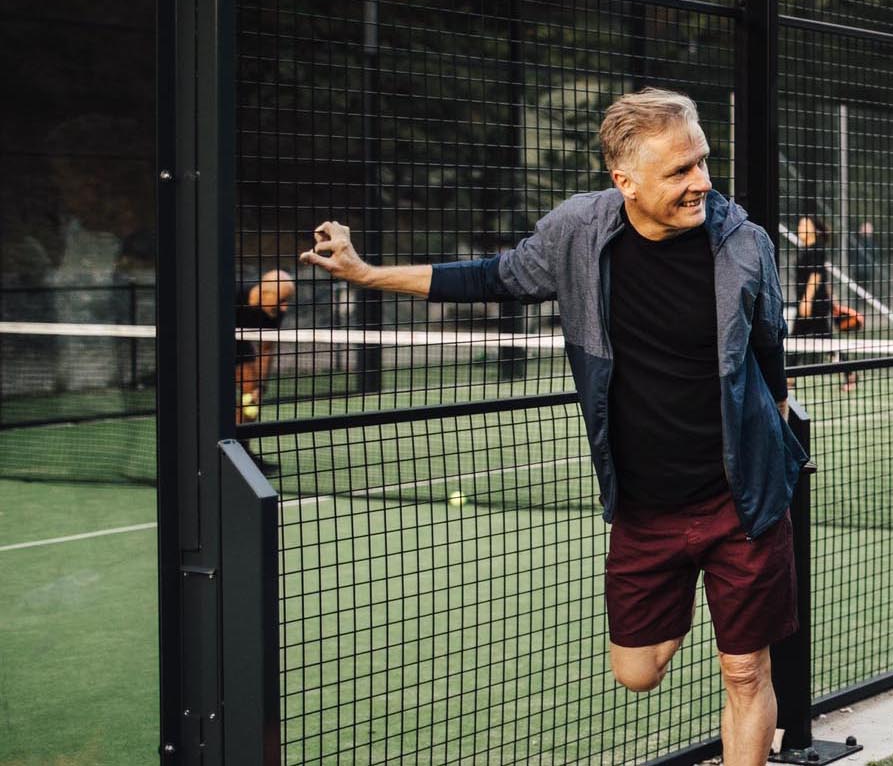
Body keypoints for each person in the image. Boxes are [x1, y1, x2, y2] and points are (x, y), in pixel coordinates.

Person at [297, 88, 807, 766]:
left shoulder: (745, 244)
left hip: (740, 500)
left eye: (703, 162)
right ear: (624, 181)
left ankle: (728, 620)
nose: (702, 183)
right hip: (644, 507)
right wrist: (366, 275)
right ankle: (694, 588)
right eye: (680, 171)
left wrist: (776, 426)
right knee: (637, 672)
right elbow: (493, 276)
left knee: (745, 672)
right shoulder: (578, 231)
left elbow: (769, 346)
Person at [235, 269, 295, 474]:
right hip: (213, 335)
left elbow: (266, 349)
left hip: (238, 341)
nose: (284, 306)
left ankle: (241, 450)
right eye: (281, 300)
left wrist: (260, 385)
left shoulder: (274, 312)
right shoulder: (233, 294)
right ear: (263, 292)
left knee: (251, 395)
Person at [790, 214, 856, 393]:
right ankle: (849, 373)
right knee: (812, 340)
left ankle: (788, 378)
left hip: (812, 304)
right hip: (815, 302)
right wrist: (833, 302)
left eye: (804, 224)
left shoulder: (817, 248)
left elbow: (816, 276)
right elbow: (825, 280)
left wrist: (806, 300)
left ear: (814, 229)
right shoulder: (806, 249)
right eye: (800, 225)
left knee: (799, 340)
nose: (800, 228)